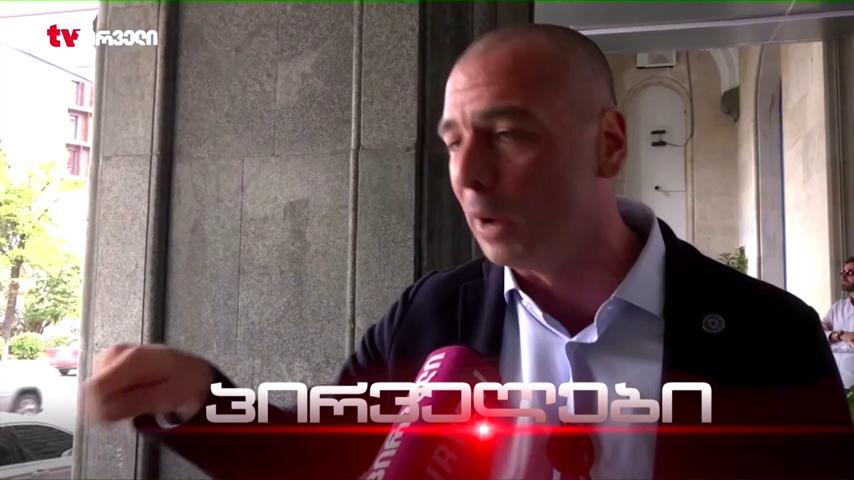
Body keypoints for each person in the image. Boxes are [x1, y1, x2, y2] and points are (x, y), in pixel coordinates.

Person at [84, 25, 854, 479]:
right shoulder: (429, 315)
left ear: (610, 142)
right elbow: (329, 459)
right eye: (454, 142)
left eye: (509, 134)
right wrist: (201, 401)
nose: (469, 175)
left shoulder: (770, 333)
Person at [822, 256, 854, 389]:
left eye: (850, 272)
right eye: (843, 272)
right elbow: (818, 331)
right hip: (833, 385)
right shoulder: (837, 307)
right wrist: (840, 335)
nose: (843, 276)